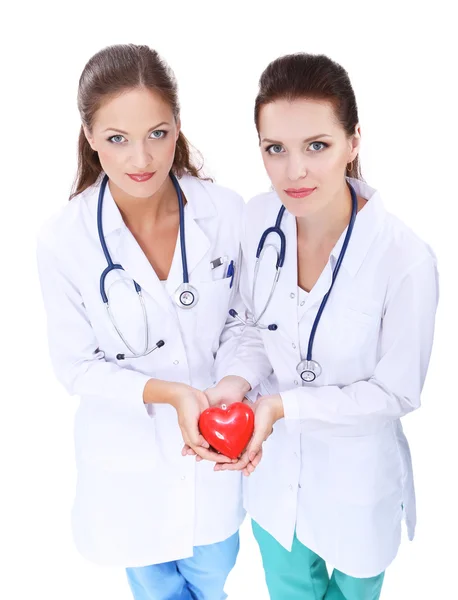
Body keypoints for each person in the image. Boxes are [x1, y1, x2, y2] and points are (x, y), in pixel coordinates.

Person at [209, 53, 439, 599]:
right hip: (273, 474)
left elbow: (396, 391)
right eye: (275, 149)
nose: (295, 171)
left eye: (317, 146)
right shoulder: (258, 219)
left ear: (353, 141)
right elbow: (247, 327)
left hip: (356, 483)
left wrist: (284, 406)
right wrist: (233, 385)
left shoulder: (404, 258)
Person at [37, 43, 249, 600]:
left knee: (213, 578)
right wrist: (169, 393)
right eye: (117, 139)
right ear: (89, 137)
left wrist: (231, 384)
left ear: (178, 126)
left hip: (215, 455)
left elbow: (247, 326)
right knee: (155, 590)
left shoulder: (225, 212)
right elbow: (77, 368)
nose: (141, 159)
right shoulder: (65, 240)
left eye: (157, 133)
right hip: (129, 466)